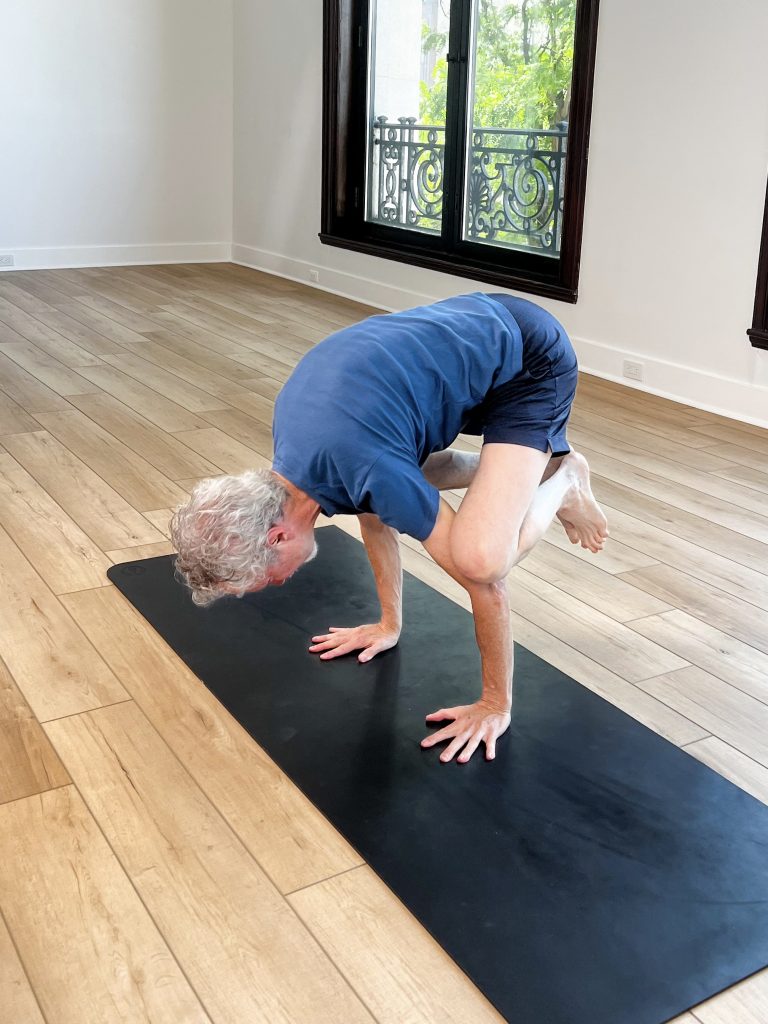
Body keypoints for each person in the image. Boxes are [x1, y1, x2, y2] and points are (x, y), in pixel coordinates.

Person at [171, 292, 608, 765]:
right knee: (396, 488)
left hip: (530, 360)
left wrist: (493, 703)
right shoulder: (302, 458)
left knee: (480, 558)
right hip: (471, 334)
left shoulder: (365, 464)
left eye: (268, 578)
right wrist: (388, 624)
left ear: (277, 536)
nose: (278, 583)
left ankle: (562, 478)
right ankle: (524, 473)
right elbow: (373, 511)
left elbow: (488, 589)